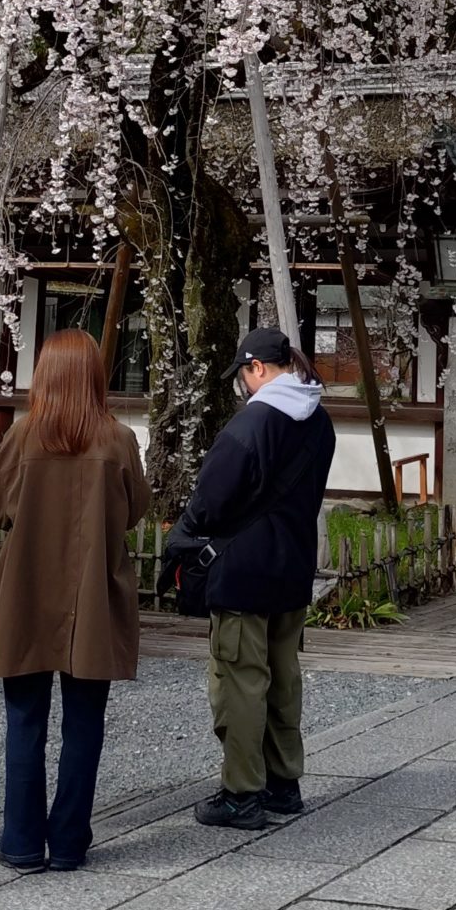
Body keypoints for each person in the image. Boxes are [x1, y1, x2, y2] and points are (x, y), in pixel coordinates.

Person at [0, 327, 151, 869]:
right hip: (94, 594)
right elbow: (135, 511)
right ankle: (70, 841)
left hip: (27, 593)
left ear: (45, 376)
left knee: (24, 719)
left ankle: (22, 842)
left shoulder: (22, 437)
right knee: (84, 722)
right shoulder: (118, 440)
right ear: (95, 377)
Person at [168, 325, 336, 829]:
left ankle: (241, 793)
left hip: (243, 570)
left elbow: (209, 503)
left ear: (257, 368)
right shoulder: (319, 420)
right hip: (292, 565)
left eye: (243, 373)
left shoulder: (252, 424)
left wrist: (185, 534)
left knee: (239, 682)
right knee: (283, 677)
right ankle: (284, 783)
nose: (242, 384)